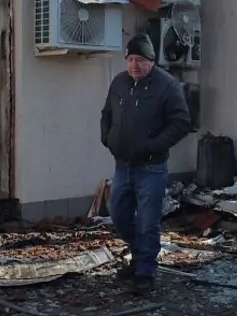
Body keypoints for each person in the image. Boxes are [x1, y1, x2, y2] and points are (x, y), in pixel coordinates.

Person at [100, 33, 191, 293]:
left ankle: (145, 272)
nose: (134, 65)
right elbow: (106, 114)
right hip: (122, 165)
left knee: (148, 221)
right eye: (130, 59)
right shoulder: (119, 83)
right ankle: (140, 256)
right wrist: (106, 137)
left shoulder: (167, 85)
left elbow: (182, 122)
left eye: (140, 60)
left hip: (151, 167)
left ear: (151, 61)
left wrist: (153, 145)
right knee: (118, 214)